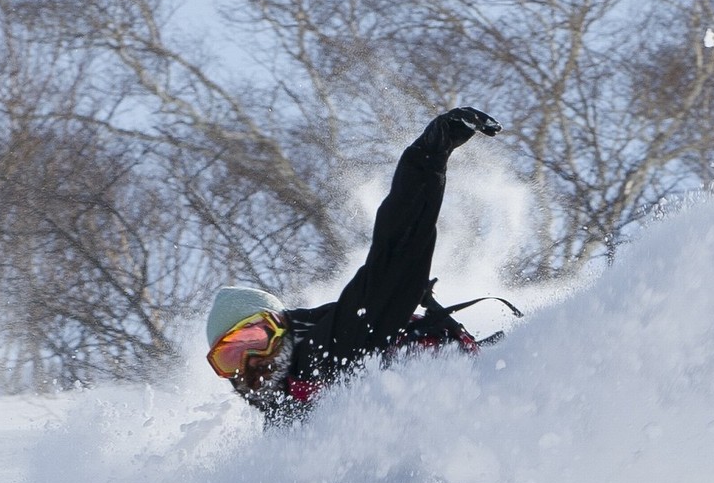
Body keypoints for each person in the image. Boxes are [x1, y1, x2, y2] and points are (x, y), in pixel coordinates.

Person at [206, 107, 508, 418]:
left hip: (469, 400)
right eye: (229, 357)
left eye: (252, 339)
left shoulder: (332, 343)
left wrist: (429, 154)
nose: (249, 362)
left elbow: (396, 255)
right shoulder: (285, 421)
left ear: (280, 325)